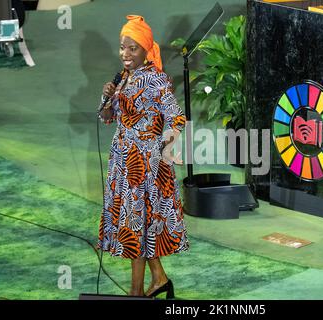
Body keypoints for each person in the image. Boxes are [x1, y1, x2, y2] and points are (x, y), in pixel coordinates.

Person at [97, 15, 189, 299]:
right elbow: (106, 117)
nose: (125, 54)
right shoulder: (123, 78)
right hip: (122, 162)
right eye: (122, 47)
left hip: (144, 166)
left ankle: (136, 293)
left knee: (136, 228)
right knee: (137, 226)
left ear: (146, 50)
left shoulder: (156, 79)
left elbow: (177, 117)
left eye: (132, 48)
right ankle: (159, 278)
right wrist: (107, 98)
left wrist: (167, 150)